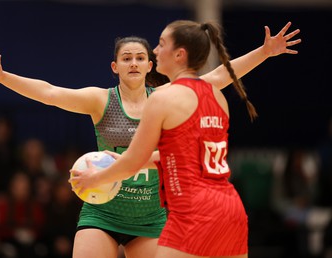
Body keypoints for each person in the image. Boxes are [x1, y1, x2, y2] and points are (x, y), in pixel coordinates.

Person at [0, 21, 300, 258]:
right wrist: (2, 77)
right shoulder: (101, 100)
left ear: (151, 63)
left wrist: (264, 53)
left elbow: (216, 77)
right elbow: (50, 93)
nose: (134, 62)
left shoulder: (168, 96)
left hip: (152, 218)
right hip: (104, 214)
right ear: (115, 66)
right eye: (127, 58)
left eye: (140, 57)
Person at [70, 20, 301, 258]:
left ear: (179, 54)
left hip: (192, 211)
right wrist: (264, 52)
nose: (156, 51)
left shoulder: (163, 99)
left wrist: (97, 176)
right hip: (230, 207)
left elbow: (133, 162)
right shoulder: (213, 96)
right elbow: (220, 77)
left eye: (160, 45)